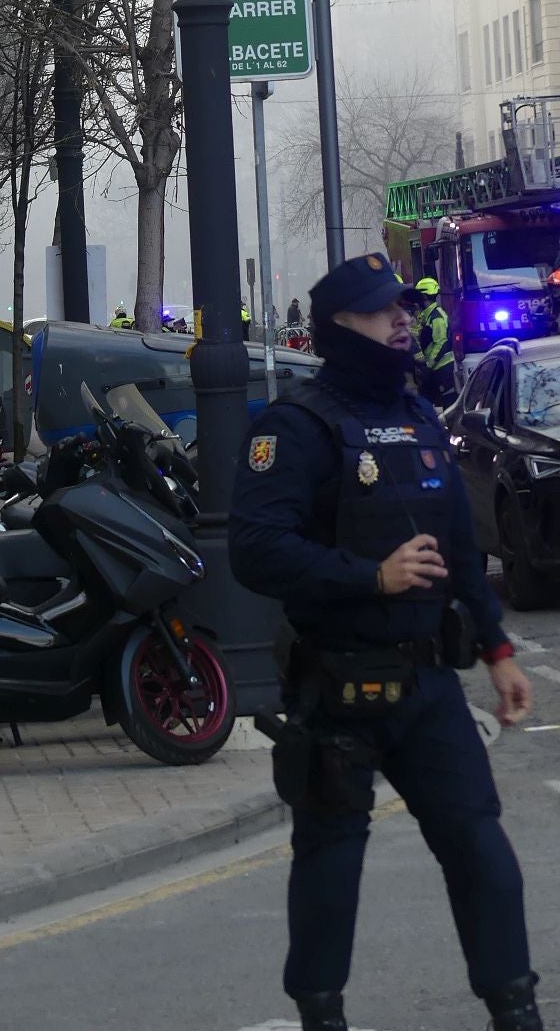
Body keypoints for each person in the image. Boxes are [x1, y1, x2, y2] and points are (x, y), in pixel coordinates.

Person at [229, 252, 540, 1031]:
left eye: (403, 306)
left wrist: (498, 650)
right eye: (382, 309)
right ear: (340, 325)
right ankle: (321, 1014)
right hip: (338, 687)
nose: (402, 319)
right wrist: (369, 577)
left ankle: (516, 1010)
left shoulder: (418, 416)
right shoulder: (296, 425)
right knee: (330, 865)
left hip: (431, 685)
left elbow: (462, 552)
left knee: (482, 855)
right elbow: (255, 549)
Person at [412, 274, 457, 406]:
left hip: (442, 367)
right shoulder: (425, 314)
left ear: (424, 296)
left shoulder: (436, 316)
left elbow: (441, 342)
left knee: (445, 403)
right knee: (426, 402)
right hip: (433, 367)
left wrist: (429, 364)